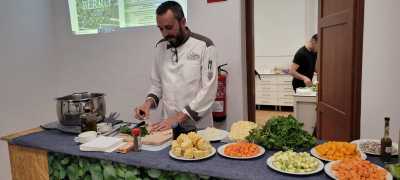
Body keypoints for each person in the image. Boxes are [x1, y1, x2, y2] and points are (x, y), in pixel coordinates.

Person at [134, 1, 218, 133]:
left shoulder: (204, 46)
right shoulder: (160, 47)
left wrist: (180, 117)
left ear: (183, 22)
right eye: (161, 29)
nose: (164, 33)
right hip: (169, 126)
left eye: (168, 27)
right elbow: (157, 85)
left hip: (198, 126)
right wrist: (147, 104)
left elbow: (209, 91)